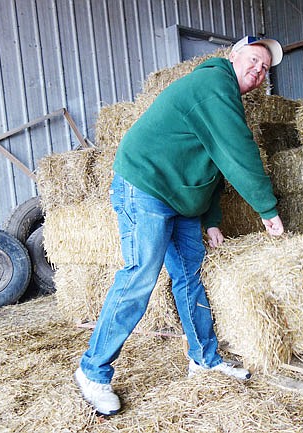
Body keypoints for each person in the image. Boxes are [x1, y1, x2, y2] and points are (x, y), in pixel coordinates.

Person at [74, 35, 285, 415]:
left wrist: (212, 219)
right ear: (233, 55)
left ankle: (204, 359)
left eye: (265, 69)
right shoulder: (213, 84)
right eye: (254, 59)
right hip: (146, 186)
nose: (258, 70)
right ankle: (92, 372)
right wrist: (268, 210)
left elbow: (213, 160)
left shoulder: (226, 96)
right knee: (141, 274)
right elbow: (238, 152)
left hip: (180, 198)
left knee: (190, 274)